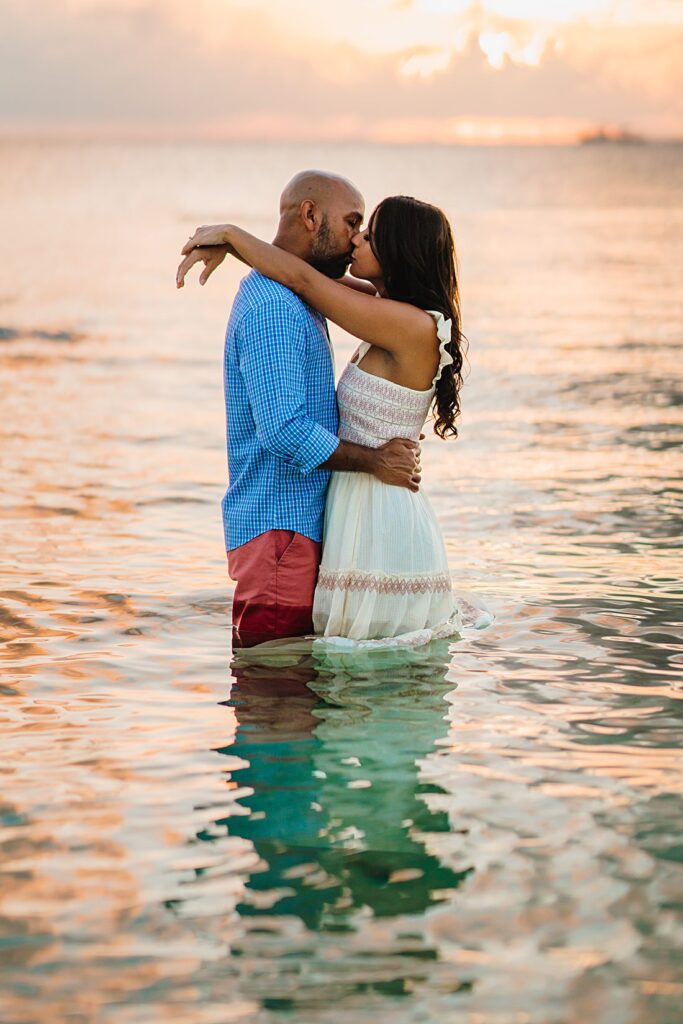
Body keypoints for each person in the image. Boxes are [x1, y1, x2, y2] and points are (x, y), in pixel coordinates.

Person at [177, 187, 482, 648]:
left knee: (356, 673)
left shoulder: (408, 324)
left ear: (398, 252)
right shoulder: (378, 308)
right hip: (352, 508)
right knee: (337, 679)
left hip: (379, 510)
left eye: (371, 235)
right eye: (356, 227)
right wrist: (239, 248)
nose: (357, 241)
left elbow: (304, 281)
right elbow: (297, 272)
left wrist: (233, 234)